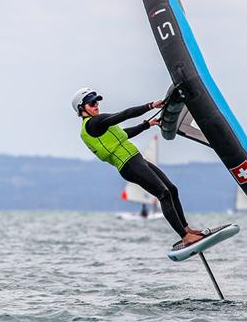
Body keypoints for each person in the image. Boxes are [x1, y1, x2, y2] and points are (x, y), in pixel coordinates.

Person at [72, 87, 204, 247]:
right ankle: (185, 236)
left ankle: (186, 229)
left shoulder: (100, 126)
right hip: (128, 164)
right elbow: (124, 115)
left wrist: (146, 125)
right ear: (81, 108)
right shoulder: (93, 124)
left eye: (97, 102)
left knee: (172, 189)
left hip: (136, 159)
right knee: (163, 194)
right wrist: (150, 106)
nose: (96, 105)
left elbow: (124, 134)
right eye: (91, 103)